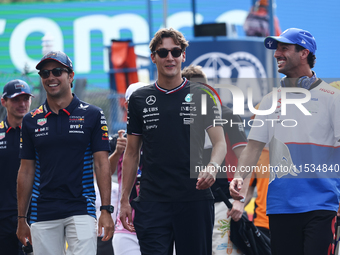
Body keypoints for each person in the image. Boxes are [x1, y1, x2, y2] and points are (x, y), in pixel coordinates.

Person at [229, 28, 340, 255]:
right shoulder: (270, 100)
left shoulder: (333, 98)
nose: (277, 53)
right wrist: (239, 180)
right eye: (276, 49)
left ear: (304, 53)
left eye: (284, 48)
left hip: (322, 205)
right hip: (280, 207)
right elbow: (252, 149)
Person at [119, 28, 227, 255]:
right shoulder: (139, 99)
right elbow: (131, 153)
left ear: (183, 56)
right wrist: (124, 201)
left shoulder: (202, 93)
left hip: (194, 199)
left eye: (175, 52)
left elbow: (220, 143)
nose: (170, 57)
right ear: (153, 57)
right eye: (163, 52)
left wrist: (212, 167)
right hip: (152, 202)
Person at [16, 51, 114, 255]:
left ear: (71, 76)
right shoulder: (30, 120)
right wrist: (21, 219)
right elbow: (25, 171)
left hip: (81, 207)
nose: (51, 77)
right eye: (45, 73)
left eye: (57, 71)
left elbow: (101, 163)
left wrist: (105, 209)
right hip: (43, 210)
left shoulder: (93, 114)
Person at [182, 65, 247, 254]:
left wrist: (240, 201)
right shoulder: (183, 118)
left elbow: (246, 159)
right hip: (190, 202)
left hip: (222, 202)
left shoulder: (227, 115)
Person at [110, 82, 147, 255]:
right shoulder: (120, 140)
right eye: (135, 102)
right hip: (126, 225)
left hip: (160, 222)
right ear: (126, 106)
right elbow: (105, 172)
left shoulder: (165, 139)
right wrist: (117, 152)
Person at [0, 79, 33, 255]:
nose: (22, 104)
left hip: (34, 216)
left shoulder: (39, 133)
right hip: (3, 217)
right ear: (3, 101)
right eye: (16, 99)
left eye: (26, 99)